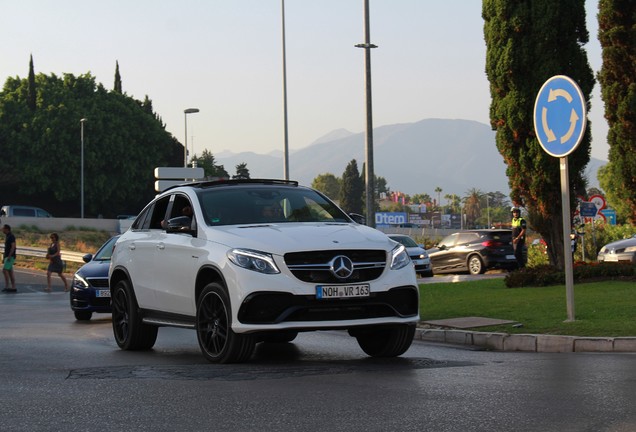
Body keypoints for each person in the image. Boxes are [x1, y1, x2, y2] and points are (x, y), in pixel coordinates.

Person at [2, 224, 17, 293]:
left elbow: (13, 246)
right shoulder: (7, 235)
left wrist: (9, 256)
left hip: (10, 256)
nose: (2, 230)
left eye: (3, 229)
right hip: (7, 256)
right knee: (10, 272)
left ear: (7, 229)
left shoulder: (11, 236)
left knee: (4, 270)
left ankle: (7, 286)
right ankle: (13, 287)